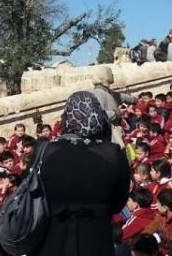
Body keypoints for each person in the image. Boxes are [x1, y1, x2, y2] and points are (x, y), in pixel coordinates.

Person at [31, 91, 131, 256]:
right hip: (96, 240)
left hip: (51, 240)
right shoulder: (113, 154)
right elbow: (118, 203)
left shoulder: (44, 151)